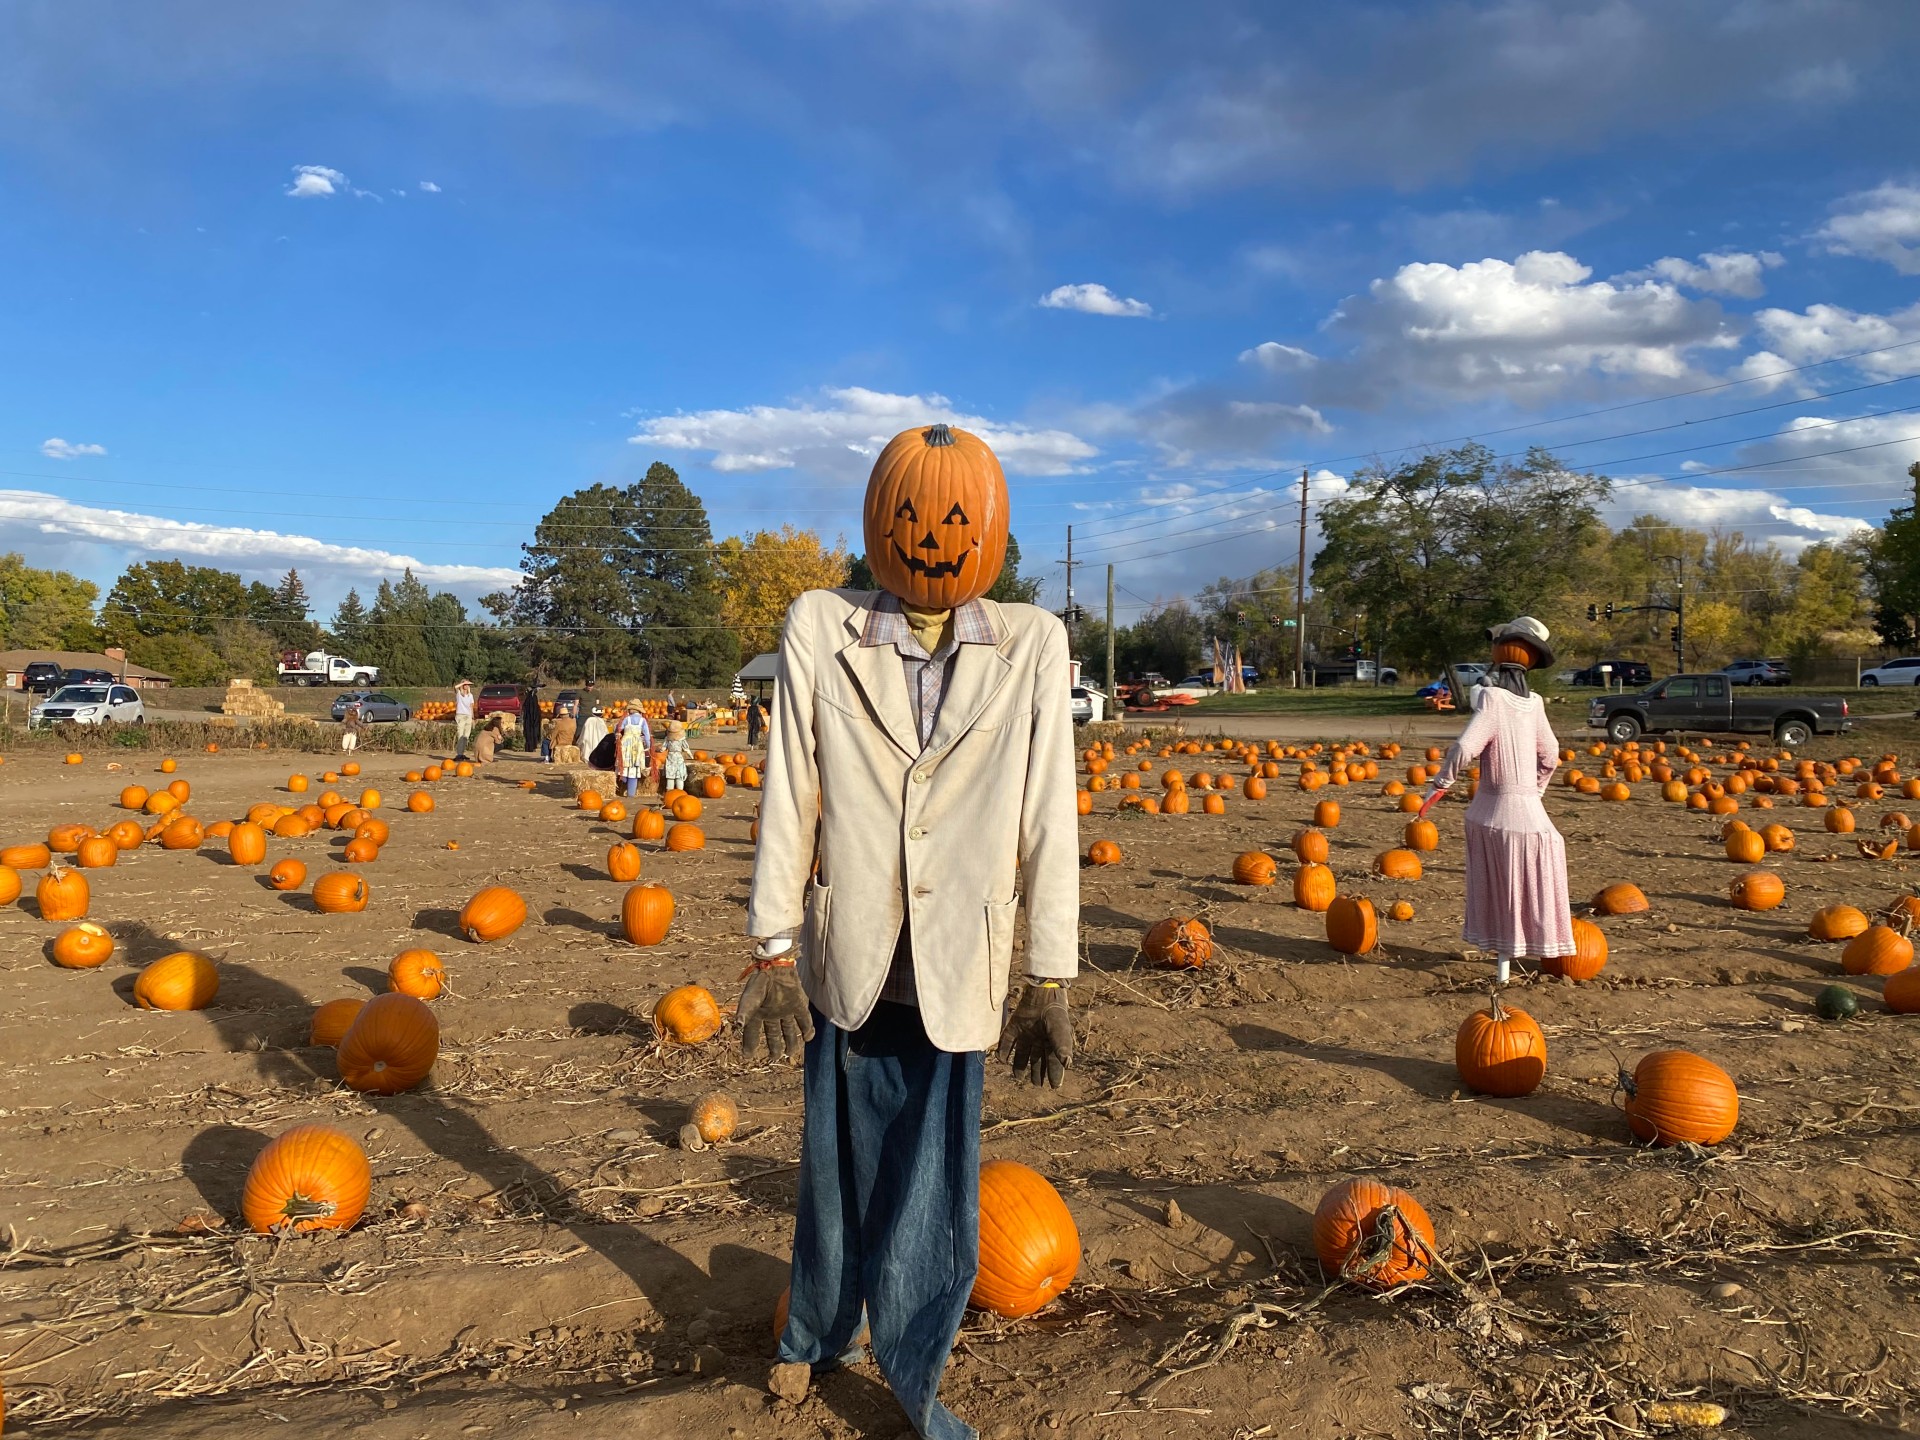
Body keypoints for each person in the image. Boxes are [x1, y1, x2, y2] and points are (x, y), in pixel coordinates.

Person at [745, 422, 1078, 1440]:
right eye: (912, 517)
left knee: (934, 1193)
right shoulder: (820, 625)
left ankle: (915, 1378)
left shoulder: (1031, 644)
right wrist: (768, 944)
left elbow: (1047, 813)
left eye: (954, 520)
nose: (932, 538)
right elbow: (791, 788)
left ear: (990, 532)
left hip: (957, 967)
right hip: (850, 954)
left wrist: (1050, 976)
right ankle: (813, 1334)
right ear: (879, 524)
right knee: (833, 1173)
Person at [1419, 616, 1576, 986]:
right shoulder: (1535, 703)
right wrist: (1534, 793)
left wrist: (1440, 785)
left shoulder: (1492, 699)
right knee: (1526, 887)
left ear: (1497, 653)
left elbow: (1466, 747)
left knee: (1501, 890)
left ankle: (1504, 962)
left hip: (1492, 812)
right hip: (1532, 817)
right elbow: (1551, 753)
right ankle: (1525, 950)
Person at [617, 709, 652, 798]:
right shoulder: (642, 720)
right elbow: (647, 736)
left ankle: (624, 780)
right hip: (637, 745)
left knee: (624, 765)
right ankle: (630, 795)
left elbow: (618, 729)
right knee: (634, 769)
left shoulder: (626, 719)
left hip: (625, 744)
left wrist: (618, 736)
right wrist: (648, 746)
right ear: (640, 711)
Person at [660, 720, 690, 794]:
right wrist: (690, 755)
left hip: (670, 757)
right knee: (679, 775)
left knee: (670, 775)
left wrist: (658, 750)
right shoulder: (682, 739)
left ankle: (669, 792)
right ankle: (680, 792)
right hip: (678, 757)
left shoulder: (667, 739)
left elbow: (662, 749)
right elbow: (686, 748)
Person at [453, 680, 475, 760]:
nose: (466, 686)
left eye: (468, 685)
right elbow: (455, 687)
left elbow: (471, 707)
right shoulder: (459, 694)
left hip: (468, 716)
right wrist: (463, 682)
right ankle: (459, 754)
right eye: (465, 685)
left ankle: (462, 753)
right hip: (460, 716)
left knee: (466, 736)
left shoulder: (470, 695)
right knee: (460, 735)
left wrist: (473, 718)